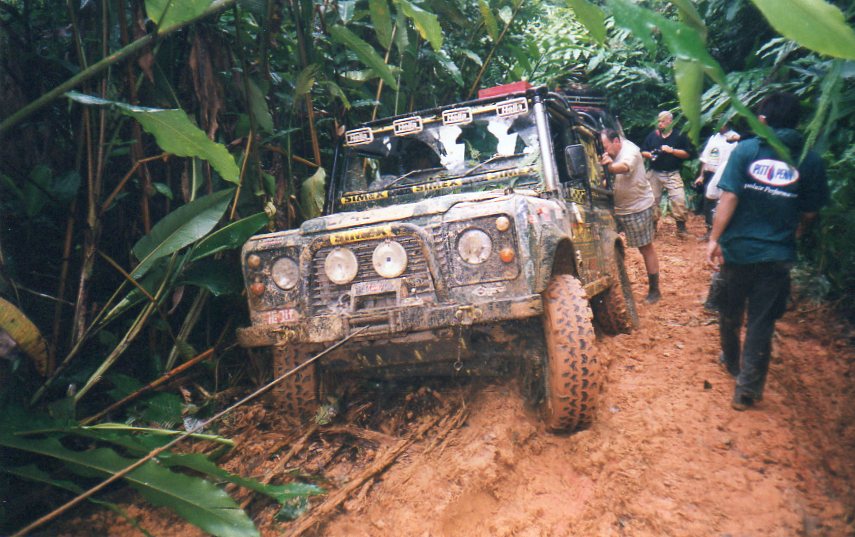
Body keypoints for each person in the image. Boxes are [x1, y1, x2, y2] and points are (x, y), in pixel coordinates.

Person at [706, 92, 829, 411]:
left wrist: (714, 239)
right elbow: (810, 212)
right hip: (777, 255)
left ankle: (731, 361)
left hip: (738, 252)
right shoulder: (811, 160)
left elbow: (729, 197)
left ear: (763, 120)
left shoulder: (746, 150)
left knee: (730, 312)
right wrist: (794, 230)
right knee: (761, 321)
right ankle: (746, 390)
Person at [600, 129, 661, 304]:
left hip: (637, 207)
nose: (605, 151)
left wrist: (609, 167)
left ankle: (655, 290)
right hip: (616, 208)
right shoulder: (612, 153)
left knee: (645, 248)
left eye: (606, 147)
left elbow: (624, 167)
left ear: (616, 141)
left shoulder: (631, 151)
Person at [641, 111, 695, 236]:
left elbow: (687, 154)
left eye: (663, 121)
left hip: (672, 173)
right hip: (655, 173)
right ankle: (652, 227)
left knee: (679, 199)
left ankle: (681, 228)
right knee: (652, 200)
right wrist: (650, 155)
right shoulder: (653, 135)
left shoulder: (679, 135)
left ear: (670, 122)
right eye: (659, 121)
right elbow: (643, 151)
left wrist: (672, 151)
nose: (660, 124)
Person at [694, 123, 740, 238]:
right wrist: (701, 175)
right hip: (710, 173)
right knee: (709, 198)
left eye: (722, 123)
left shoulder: (735, 138)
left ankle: (722, 231)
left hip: (724, 174)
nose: (719, 125)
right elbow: (705, 157)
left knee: (722, 201)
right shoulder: (714, 137)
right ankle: (710, 228)